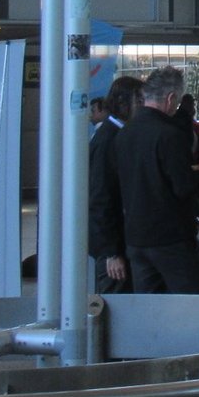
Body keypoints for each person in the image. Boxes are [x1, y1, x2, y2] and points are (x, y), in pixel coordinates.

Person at [113, 66, 199, 295]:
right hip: (171, 239)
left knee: (149, 308)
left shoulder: (124, 133)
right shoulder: (170, 134)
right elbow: (182, 187)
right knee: (191, 303)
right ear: (171, 98)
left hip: (136, 238)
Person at [88, 74, 141, 295]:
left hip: (119, 242)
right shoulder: (108, 140)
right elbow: (101, 198)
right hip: (112, 248)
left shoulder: (119, 135)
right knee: (114, 303)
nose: (143, 106)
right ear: (122, 103)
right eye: (139, 101)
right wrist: (111, 252)